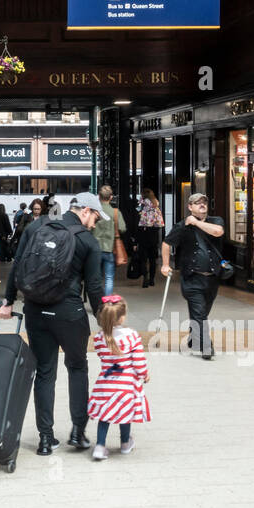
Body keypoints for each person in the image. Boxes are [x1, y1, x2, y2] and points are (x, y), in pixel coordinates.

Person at [0, 190, 106, 457]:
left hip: (36, 311)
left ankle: (46, 440)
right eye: (95, 216)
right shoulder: (88, 242)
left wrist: (8, 301)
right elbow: (93, 286)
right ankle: (78, 433)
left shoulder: (37, 227)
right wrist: (106, 319)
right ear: (84, 211)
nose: (96, 223)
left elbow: (18, 263)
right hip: (69, 314)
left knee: (45, 372)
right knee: (77, 367)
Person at [161, 192, 226, 360]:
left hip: (212, 278)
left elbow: (218, 232)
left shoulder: (216, 221)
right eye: (197, 202)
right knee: (199, 313)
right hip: (192, 278)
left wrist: (196, 223)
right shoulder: (182, 226)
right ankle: (206, 347)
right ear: (190, 207)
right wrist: (165, 264)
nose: (202, 204)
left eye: (204, 202)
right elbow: (167, 243)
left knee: (202, 312)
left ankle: (193, 337)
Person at [87, 295, 151, 460]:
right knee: (125, 414)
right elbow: (138, 361)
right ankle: (124, 443)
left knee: (104, 416)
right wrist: (144, 374)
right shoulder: (131, 336)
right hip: (126, 384)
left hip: (105, 383)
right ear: (122, 317)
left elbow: (103, 356)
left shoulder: (99, 338)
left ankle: (100, 446)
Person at [90, 185, 126, 295]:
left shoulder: (94, 211)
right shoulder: (115, 212)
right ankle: (107, 302)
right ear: (111, 197)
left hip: (95, 249)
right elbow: (122, 228)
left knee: (97, 278)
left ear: (99, 197)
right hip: (110, 249)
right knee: (109, 278)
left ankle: (98, 301)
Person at [137, 188, 164, 288]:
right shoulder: (157, 208)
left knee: (143, 259)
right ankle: (152, 280)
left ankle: (145, 278)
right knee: (153, 259)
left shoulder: (142, 206)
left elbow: (138, 223)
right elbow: (160, 224)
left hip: (144, 234)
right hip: (154, 235)